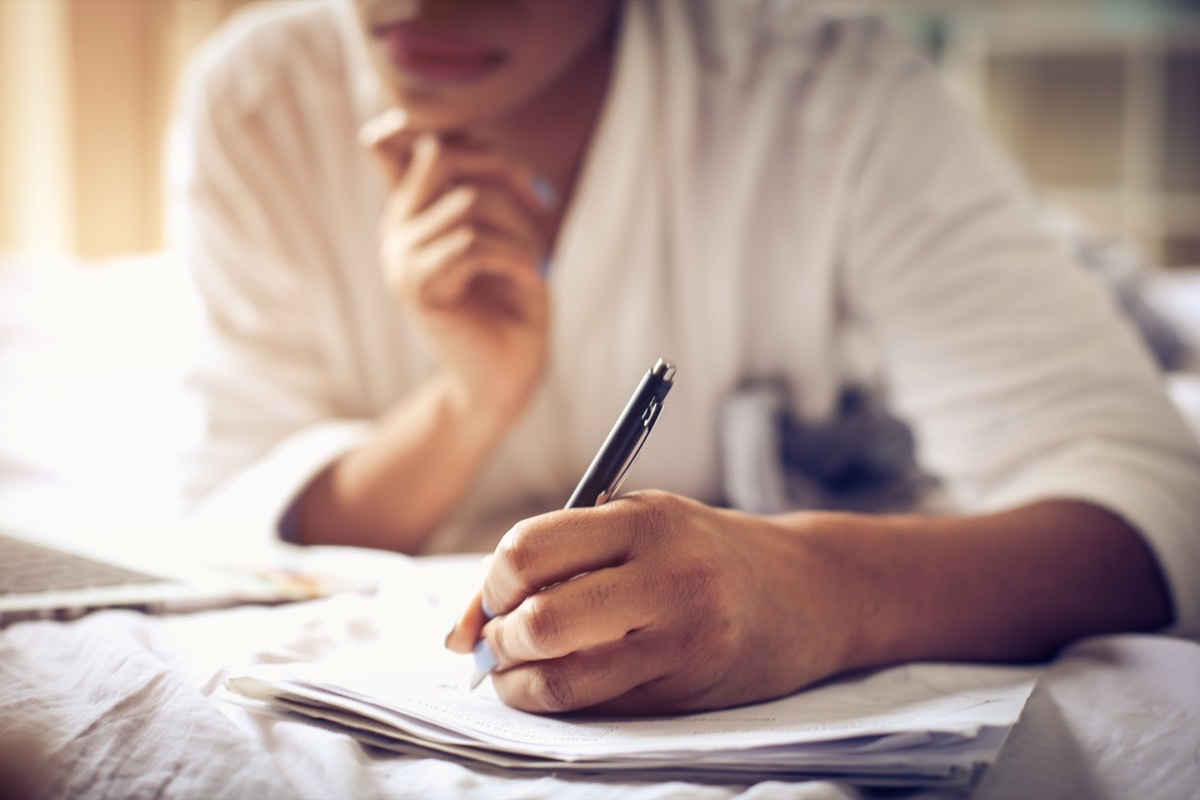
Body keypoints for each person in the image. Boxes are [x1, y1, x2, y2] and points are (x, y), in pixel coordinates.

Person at [171, 0, 1200, 716]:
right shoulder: (259, 98)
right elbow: (240, 520)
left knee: (1128, 302)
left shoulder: (836, 97)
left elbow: (1156, 504)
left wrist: (818, 587)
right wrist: (469, 401)